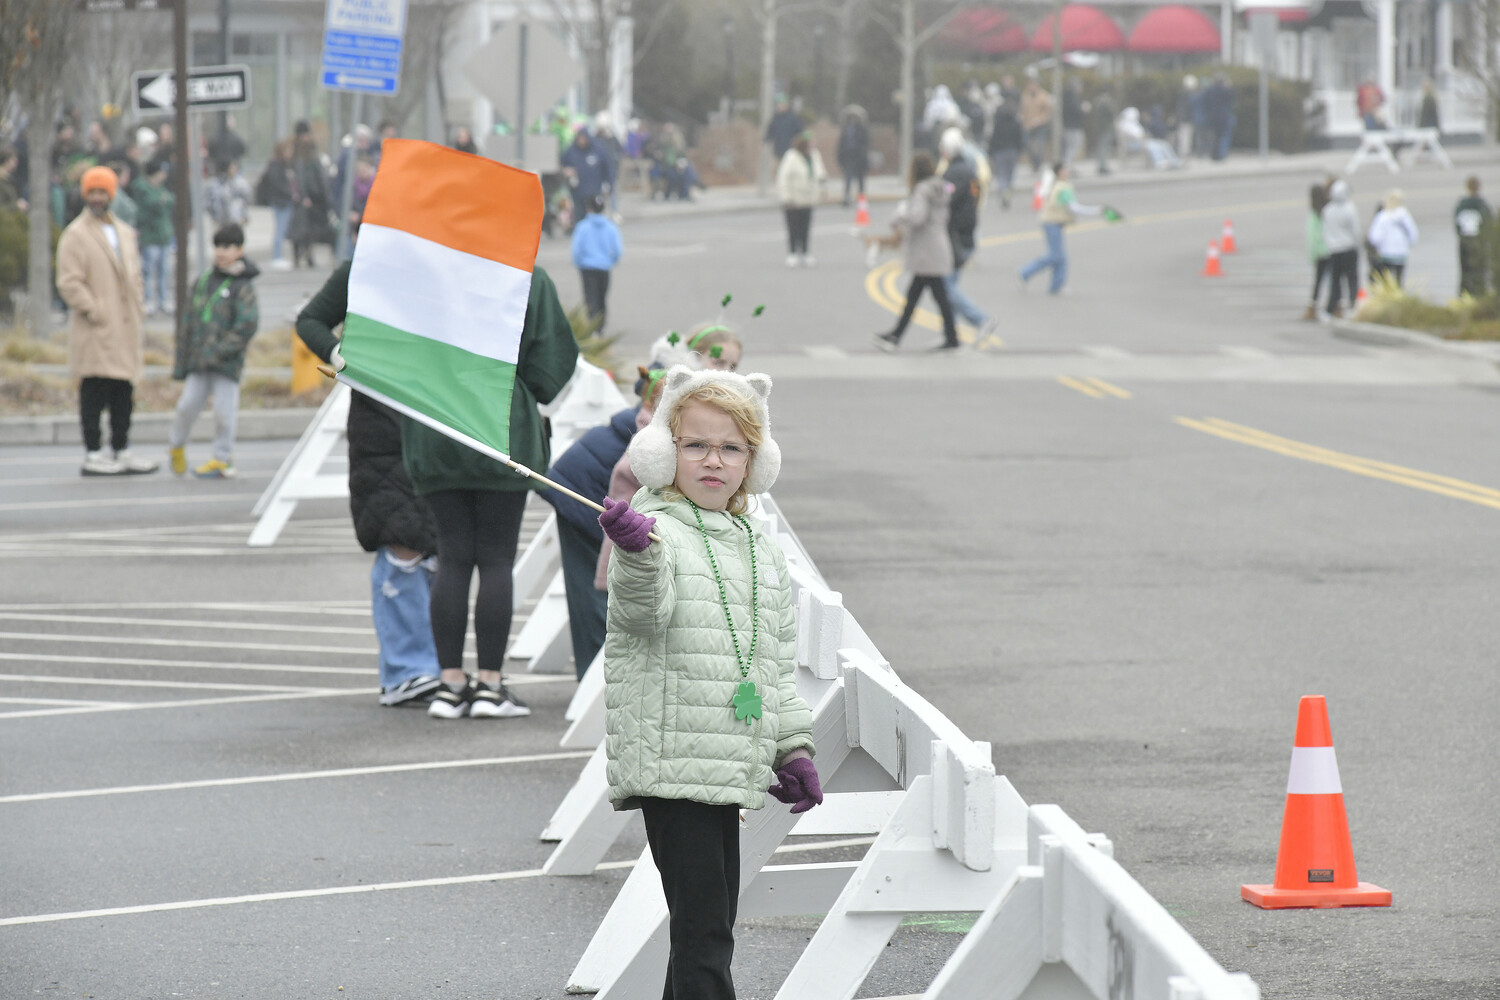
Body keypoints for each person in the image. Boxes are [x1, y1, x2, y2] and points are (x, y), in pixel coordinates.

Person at [595, 365, 820, 1000]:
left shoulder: (759, 546)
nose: (712, 460)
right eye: (695, 444)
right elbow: (642, 611)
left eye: (730, 447)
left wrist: (792, 746)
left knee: (708, 930)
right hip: (674, 762)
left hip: (727, 765)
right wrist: (634, 554)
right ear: (666, 451)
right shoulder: (654, 528)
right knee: (705, 939)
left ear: (755, 460)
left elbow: (770, 664)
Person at [403, 266, 580, 720]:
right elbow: (553, 362)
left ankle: (448, 685)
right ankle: (490, 684)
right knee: (496, 558)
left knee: (452, 555)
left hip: (435, 423)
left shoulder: (427, 269)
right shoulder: (525, 274)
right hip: (500, 425)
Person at [294, 228, 444, 707]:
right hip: (380, 422)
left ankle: (437, 665)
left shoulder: (442, 272)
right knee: (399, 536)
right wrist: (343, 358)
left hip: (437, 413)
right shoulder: (360, 271)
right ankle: (406, 669)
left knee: (438, 540)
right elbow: (311, 320)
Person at [540, 386, 652, 680]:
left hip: (584, 484)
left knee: (593, 587)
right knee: (593, 592)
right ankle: (596, 677)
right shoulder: (661, 426)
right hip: (582, 491)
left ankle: (594, 674)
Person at [55, 165, 157, 477]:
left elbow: (135, 275)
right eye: (92, 192)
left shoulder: (124, 232)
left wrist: (137, 305)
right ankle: (94, 452)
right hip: (96, 329)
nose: (98, 198)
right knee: (94, 392)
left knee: (123, 394)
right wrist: (93, 309)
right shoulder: (75, 235)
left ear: (112, 195)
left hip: (124, 327)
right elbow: (69, 282)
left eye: (103, 192)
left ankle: (121, 449)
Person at [167, 223, 259, 479]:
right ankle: (176, 445)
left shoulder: (243, 286)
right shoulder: (204, 281)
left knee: (223, 411)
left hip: (226, 364)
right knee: (186, 406)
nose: (221, 252)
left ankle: (222, 457)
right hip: (199, 361)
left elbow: (248, 324)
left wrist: (222, 349)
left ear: (240, 250)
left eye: (228, 247)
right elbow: (188, 319)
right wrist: (183, 357)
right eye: (218, 246)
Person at [873, 151, 958, 352]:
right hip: (936, 247)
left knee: (920, 296)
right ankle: (949, 336)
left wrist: (899, 217)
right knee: (935, 296)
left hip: (926, 250)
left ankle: (897, 335)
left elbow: (917, 216)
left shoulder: (922, 190)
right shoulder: (940, 187)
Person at [938, 129, 994, 340]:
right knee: (947, 286)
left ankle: (981, 320)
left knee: (945, 287)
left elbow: (944, 202)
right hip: (967, 233)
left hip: (957, 236)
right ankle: (950, 334)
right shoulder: (968, 171)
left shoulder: (954, 173)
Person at [1019, 162, 1101, 295]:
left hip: (1054, 222)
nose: (1068, 171)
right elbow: (1074, 207)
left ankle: (1056, 286)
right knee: (1056, 256)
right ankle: (1026, 272)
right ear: (1059, 172)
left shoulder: (1057, 185)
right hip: (1052, 222)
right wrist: (1096, 210)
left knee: (1060, 257)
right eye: (1065, 169)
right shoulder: (1063, 187)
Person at [775, 131, 825, 268]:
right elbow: (784, 178)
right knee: (793, 227)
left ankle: (805, 252)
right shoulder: (791, 157)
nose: (812, 146)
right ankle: (792, 253)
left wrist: (822, 182)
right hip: (794, 198)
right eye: (809, 144)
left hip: (808, 198)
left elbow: (819, 172)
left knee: (805, 227)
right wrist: (786, 198)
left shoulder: (815, 156)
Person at [572, 193, 622, 327]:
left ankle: (592, 326)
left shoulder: (582, 227)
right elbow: (617, 250)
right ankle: (601, 326)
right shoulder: (611, 227)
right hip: (604, 267)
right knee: (601, 297)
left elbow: (577, 250)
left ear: (589, 209)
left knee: (590, 298)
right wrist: (611, 262)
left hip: (587, 268)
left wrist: (578, 263)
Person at [130, 158, 173, 315]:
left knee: (164, 271)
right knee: (147, 270)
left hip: (163, 235)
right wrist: (160, 201)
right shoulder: (141, 187)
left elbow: (170, 200)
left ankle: (163, 300)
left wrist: (162, 201)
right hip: (149, 236)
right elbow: (149, 206)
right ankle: (147, 300)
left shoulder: (161, 188)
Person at [289, 128, 332, 268]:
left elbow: (320, 176)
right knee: (301, 230)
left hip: (316, 198)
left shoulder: (313, 155)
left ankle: (308, 255)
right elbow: (300, 178)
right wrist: (304, 196)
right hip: (302, 200)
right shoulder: (298, 156)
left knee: (311, 230)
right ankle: (300, 255)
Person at [1321, 179, 1362, 318]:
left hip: (1334, 249)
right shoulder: (1350, 209)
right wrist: (1358, 245)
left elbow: (1326, 231)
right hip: (1349, 248)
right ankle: (1353, 307)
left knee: (1335, 281)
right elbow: (1356, 230)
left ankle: (1331, 309)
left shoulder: (1327, 210)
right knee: (1352, 279)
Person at [255, 139, 298, 271]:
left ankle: (279, 256)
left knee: (282, 229)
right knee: (280, 229)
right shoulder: (276, 165)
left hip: (285, 201)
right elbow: (276, 183)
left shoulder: (286, 165)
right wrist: (290, 194)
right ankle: (277, 256)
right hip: (281, 201)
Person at [1366, 189, 1418, 287]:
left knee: (1387, 282)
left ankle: (1389, 298)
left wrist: (1379, 248)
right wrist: (1407, 246)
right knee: (1399, 280)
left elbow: (1375, 237)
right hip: (1401, 254)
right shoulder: (1405, 216)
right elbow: (1413, 234)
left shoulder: (1383, 216)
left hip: (1386, 254)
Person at [561, 128, 614, 218]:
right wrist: (566, 171)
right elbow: (561, 165)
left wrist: (609, 184)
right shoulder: (571, 151)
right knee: (579, 216)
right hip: (577, 192)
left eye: (584, 138)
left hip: (594, 192)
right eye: (580, 138)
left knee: (595, 216)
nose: (582, 141)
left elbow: (607, 168)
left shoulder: (598, 150)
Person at [1454, 176, 1493, 298]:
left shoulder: (1461, 205)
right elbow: (1488, 223)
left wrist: (1461, 236)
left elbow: (1456, 223)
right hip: (1478, 242)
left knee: (1465, 271)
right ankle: (1480, 294)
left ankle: (1464, 295)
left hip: (1464, 242)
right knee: (1480, 270)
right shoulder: (1482, 205)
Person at [1303, 182, 1331, 321]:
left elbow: (1312, 237)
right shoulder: (1329, 209)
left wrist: (1312, 255)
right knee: (1334, 280)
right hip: (1332, 249)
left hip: (1320, 252)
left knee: (1318, 281)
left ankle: (1312, 307)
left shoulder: (1314, 213)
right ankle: (1337, 306)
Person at [836, 106, 870, 207]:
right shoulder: (846, 130)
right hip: (848, 157)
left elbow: (866, 144)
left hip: (859, 157)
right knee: (848, 178)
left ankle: (861, 200)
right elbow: (841, 144)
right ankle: (847, 197)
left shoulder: (862, 130)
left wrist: (862, 154)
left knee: (860, 180)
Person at [204, 160, 252, 228]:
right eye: (231, 168)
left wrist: (244, 216)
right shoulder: (215, 184)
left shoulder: (241, 183)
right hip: (220, 220)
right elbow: (210, 202)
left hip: (236, 220)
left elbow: (244, 201)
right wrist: (214, 217)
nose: (233, 170)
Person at [1019, 80, 1054, 173]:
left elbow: (1047, 110)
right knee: (1026, 144)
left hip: (1040, 125)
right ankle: (1034, 162)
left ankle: (1038, 164)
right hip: (1028, 124)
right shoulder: (1025, 96)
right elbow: (1023, 109)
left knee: (1039, 146)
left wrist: (1040, 119)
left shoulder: (1043, 95)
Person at [765, 96, 804, 161]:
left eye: (783, 104)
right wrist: (767, 138)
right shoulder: (775, 118)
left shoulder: (793, 118)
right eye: (779, 104)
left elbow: (799, 131)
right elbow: (770, 131)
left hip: (791, 150)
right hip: (778, 150)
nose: (781, 106)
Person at [1061, 80, 1086, 167]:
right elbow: (1076, 110)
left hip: (1069, 125)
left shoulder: (1066, 97)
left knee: (1070, 148)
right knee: (1073, 148)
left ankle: (1068, 167)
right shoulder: (1073, 97)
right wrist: (1083, 109)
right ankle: (1067, 167)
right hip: (1073, 126)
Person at [1176, 76, 1198, 160]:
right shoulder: (1189, 95)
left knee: (1184, 136)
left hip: (1183, 118)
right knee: (1185, 136)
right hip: (1186, 119)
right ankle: (1184, 153)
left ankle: (1183, 152)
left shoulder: (1182, 94)